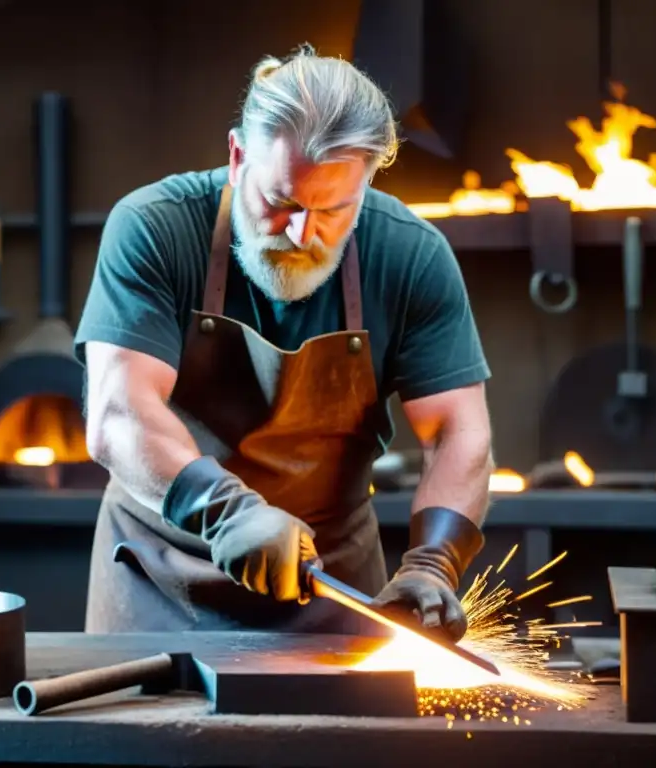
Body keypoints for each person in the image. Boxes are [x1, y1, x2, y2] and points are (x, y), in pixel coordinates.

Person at [74, 44, 494, 642]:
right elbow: (118, 413)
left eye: (334, 211)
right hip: (161, 574)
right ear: (238, 154)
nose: (303, 233)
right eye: (281, 202)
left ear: (367, 180)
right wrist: (228, 513)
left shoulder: (410, 254)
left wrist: (433, 564)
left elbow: (459, 430)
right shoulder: (154, 227)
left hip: (334, 584)